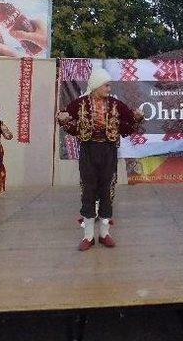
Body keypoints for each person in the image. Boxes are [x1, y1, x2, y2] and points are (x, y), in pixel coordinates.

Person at [57, 67, 144, 251]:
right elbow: (64, 117)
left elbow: (129, 125)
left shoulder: (115, 104)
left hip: (109, 150)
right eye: (106, 85)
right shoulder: (80, 103)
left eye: (109, 85)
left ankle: (105, 234)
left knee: (107, 190)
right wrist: (63, 118)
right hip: (88, 150)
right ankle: (88, 236)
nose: (109, 89)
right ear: (96, 85)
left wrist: (137, 117)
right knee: (88, 190)